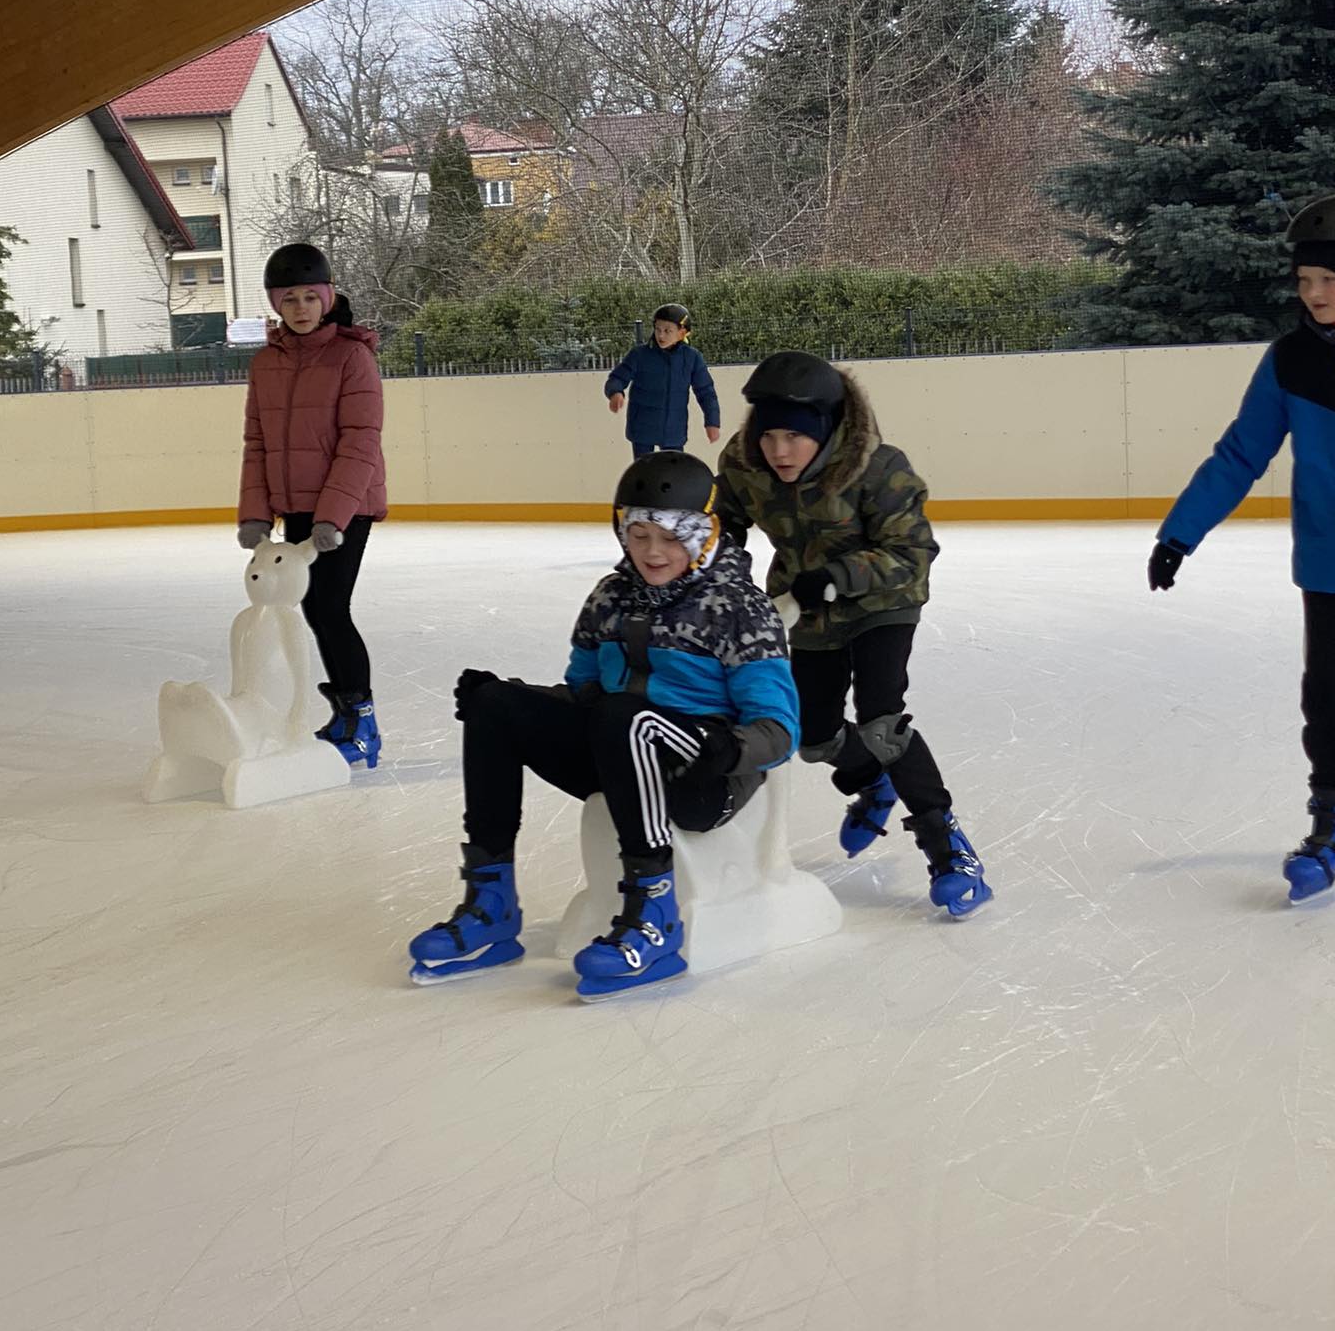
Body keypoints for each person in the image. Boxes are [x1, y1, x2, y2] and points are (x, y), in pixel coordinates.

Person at [408, 452, 800, 995]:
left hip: (705, 777)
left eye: (669, 536)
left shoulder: (740, 608)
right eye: (638, 535)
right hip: (621, 753)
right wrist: (523, 699)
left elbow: (780, 731)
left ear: (702, 534)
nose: (653, 552)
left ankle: (654, 915)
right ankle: (491, 905)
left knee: (623, 716)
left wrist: (726, 748)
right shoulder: (609, 599)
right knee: (493, 704)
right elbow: (583, 694)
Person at [714, 350, 992, 918]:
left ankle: (949, 851)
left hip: (883, 603)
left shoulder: (878, 468)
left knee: (882, 719)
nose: (779, 451)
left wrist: (841, 576)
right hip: (806, 608)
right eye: (769, 436)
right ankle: (874, 781)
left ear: (826, 427)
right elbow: (724, 529)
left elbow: (913, 554)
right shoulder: (743, 466)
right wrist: (720, 579)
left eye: (795, 436)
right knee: (811, 736)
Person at [1150, 190, 1335, 900]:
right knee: (1329, 701)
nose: (1314, 294)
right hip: (1330, 566)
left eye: (1329, 279)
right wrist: (1180, 533)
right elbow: (1240, 455)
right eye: (1304, 282)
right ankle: (1332, 820)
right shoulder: (1290, 361)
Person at [236, 243, 387, 768]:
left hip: (346, 509)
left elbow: (360, 441)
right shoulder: (265, 364)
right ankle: (346, 712)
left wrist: (332, 517)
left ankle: (361, 721)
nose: (300, 308)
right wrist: (255, 513)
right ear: (276, 304)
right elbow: (257, 442)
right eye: (289, 299)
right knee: (312, 609)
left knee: (331, 608)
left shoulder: (352, 357)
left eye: (309, 297)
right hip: (295, 506)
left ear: (327, 298)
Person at [605, 304, 722, 458]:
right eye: (658, 329)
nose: (661, 335)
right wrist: (615, 392)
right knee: (643, 473)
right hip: (642, 427)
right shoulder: (639, 355)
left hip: (674, 429)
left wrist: (712, 422)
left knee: (673, 473)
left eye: (668, 331)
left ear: (682, 333)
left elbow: (706, 392)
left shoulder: (692, 358)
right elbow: (617, 378)